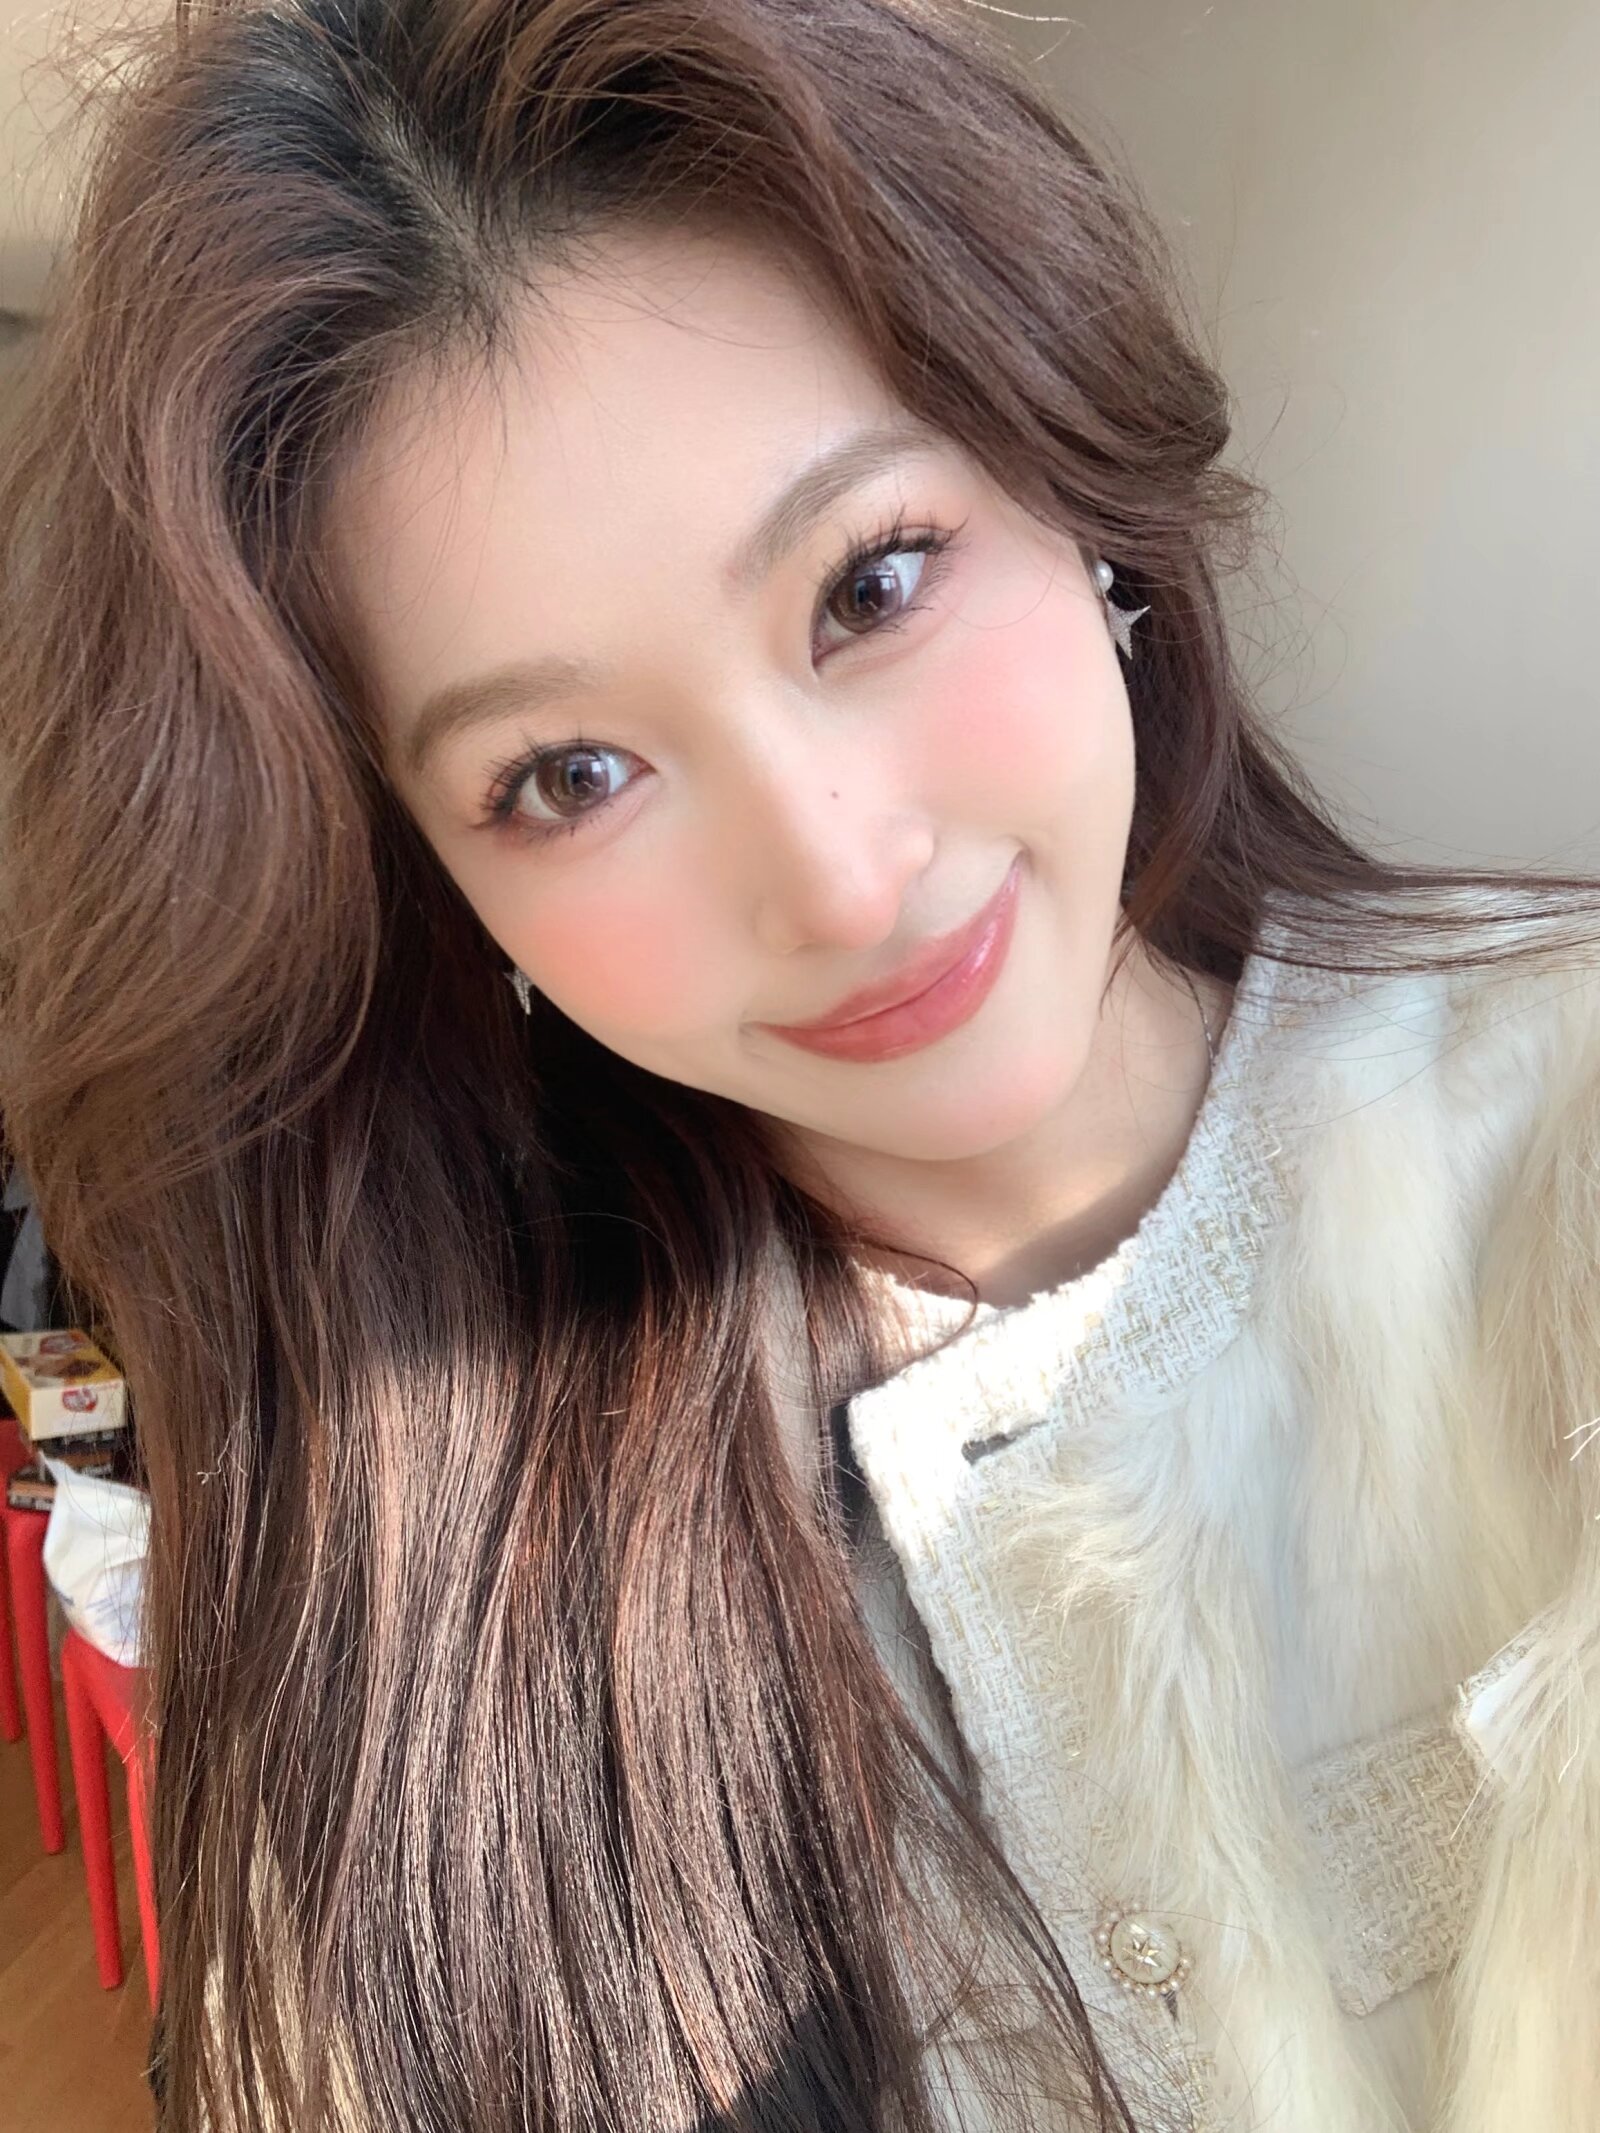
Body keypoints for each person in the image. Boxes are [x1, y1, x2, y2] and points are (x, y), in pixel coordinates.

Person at [1, 1, 1598, 2127]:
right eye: (568, 774)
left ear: (1071, 481)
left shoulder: (1559, 1143)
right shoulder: (422, 1587)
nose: (842, 878)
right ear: (440, 894)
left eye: (873, 581)